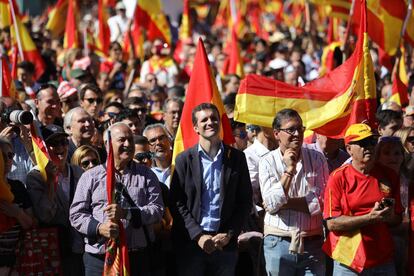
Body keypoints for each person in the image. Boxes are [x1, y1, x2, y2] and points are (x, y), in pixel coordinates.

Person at [69, 123, 164, 276]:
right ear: (107, 144)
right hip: (99, 258)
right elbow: (76, 214)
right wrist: (99, 228)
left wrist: (128, 214)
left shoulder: (147, 175)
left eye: (130, 140)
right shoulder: (90, 176)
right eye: (122, 140)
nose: (127, 144)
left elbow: (157, 209)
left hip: (136, 257)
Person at [170, 103, 252, 276]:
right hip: (191, 245)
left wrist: (229, 234)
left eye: (214, 118)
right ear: (195, 127)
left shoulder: (237, 158)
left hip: (225, 245)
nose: (210, 122)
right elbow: (177, 203)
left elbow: (244, 201)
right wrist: (198, 236)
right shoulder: (184, 159)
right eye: (204, 120)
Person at [323, 123, 403, 275]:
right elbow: (332, 223)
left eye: (372, 142)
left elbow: (397, 219)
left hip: (382, 259)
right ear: (349, 149)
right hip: (349, 261)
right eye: (362, 143)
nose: (369, 147)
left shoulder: (389, 175)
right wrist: (369, 218)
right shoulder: (337, 177)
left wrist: (389, 215)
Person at [259, 108, 329, 275]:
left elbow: (321, 202)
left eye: (300, 128)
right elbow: (271, 204)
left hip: (312, 243)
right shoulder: (267, 162)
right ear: (276, 134)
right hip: (278, 243)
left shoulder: (317, 158)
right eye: (291, 129)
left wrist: (285, 203)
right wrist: (289, 170)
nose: (297, 133)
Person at [26, 124, 85, 275]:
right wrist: (51, 182)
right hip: (54, 250)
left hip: (82, 246)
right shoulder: (36, 177)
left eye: (63, 142)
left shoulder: (78, 172)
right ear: (45, 148)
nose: (60, 147)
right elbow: (45, 215)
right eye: (53, 143)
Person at [0, 138, 34, 274]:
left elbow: (32, 224)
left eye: (10, 155)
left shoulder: (18, 187)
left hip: (19, 259)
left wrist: (18, 213)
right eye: (2, 155)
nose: (8, 160)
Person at [143, 124, 172, 188]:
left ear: (169, 140)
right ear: (147, 147)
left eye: (161, 138)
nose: (158, 143)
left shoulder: (181, 164)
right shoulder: (145, 172)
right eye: (153, 140)